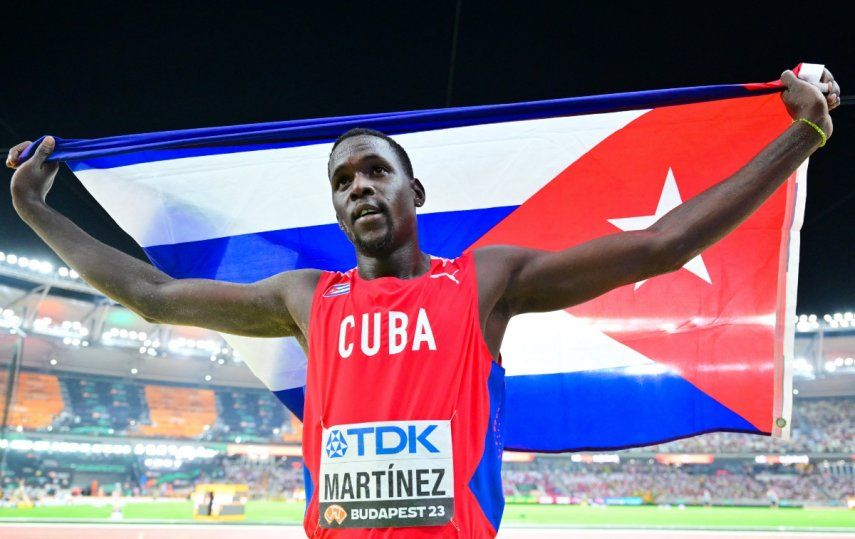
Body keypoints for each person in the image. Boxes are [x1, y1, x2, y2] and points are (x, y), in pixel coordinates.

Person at [6, 69, 841, 537]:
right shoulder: (308, 298)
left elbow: (659, 246)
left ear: (416, 189)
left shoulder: (482, 282)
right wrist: (38, 209)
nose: (358, 186)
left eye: (374, 170)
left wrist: (798, 136)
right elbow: (152, 294)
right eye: (341, 180)